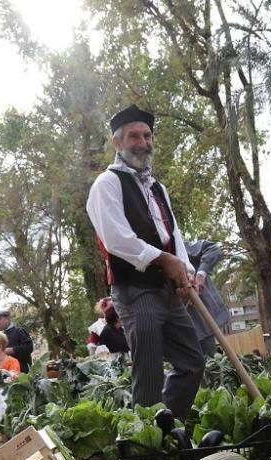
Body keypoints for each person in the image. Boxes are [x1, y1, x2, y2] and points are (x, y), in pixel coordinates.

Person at [85, 104, 205, 420]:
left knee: (192, 361)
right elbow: (117, 239)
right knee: (149, 368)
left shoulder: (157, 187)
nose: (143, 142)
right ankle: (148, 447)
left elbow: (172, 234)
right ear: (117, 143)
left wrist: (186, 271)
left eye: (147, 135)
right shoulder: (106, 185)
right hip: (136, 290)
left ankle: (169, 427)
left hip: (167, 290)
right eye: (134, 136)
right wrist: (164, 260)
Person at [183, 239, 231, 357]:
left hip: (200, 322)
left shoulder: (180, 249)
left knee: (210, 363)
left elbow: (212, 248)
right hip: (178, 330)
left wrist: (200, 275)